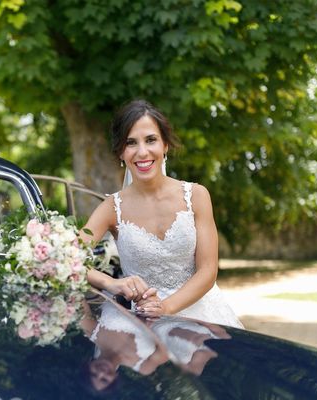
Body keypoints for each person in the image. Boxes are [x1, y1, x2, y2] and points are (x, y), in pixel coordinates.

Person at [81, 99, 243, 328]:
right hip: (138, 318)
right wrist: (111, 283)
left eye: (151, 140)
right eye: (131, 143)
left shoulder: (196, 195)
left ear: (165, 144)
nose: (142, 152)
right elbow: (67, 259)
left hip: (199, 311)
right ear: (120, 152)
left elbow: (208, 270)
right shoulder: (111, 208)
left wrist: (165, 307)